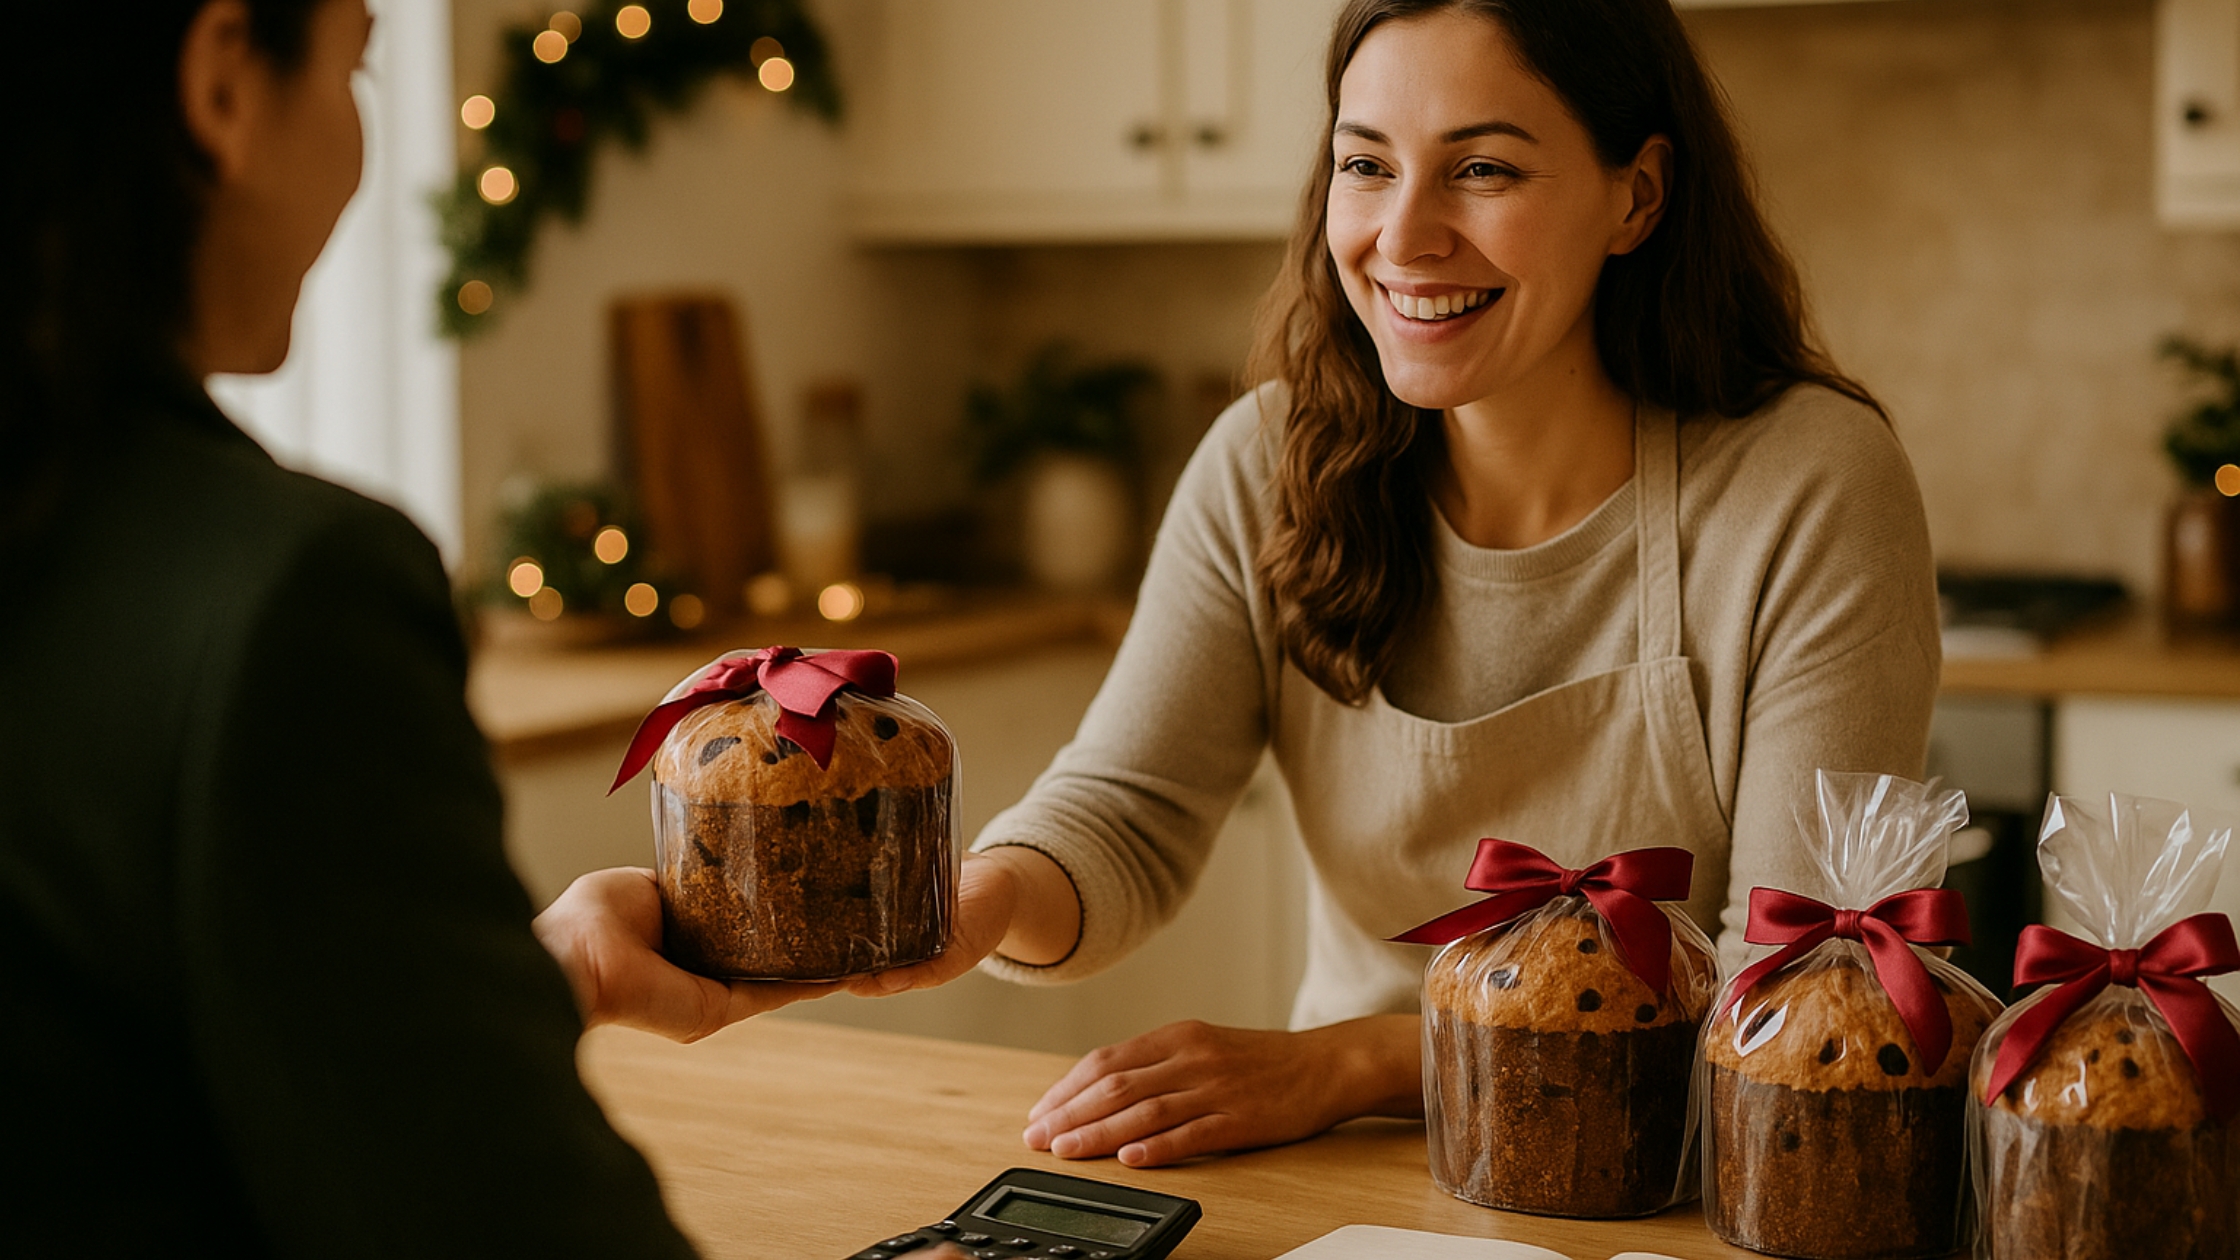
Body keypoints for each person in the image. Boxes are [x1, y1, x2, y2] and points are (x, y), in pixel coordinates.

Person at [855, 0, 1940, 1170]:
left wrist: (1350, 1063)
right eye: (1364, 165)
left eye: (1480, 168)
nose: (1404, 236)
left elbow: (1792, 1005)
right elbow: (1130, 807)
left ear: (1635, 195)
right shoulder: (1266, 463)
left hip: (1679, 1177)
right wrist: (971, 903)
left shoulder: (1804, 485)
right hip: (1340, 1169)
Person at [0, 1, 838, 1251]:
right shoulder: (291, 600)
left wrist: (530, 973)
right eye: (354, 70)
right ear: (225, 82)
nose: (356, 152)